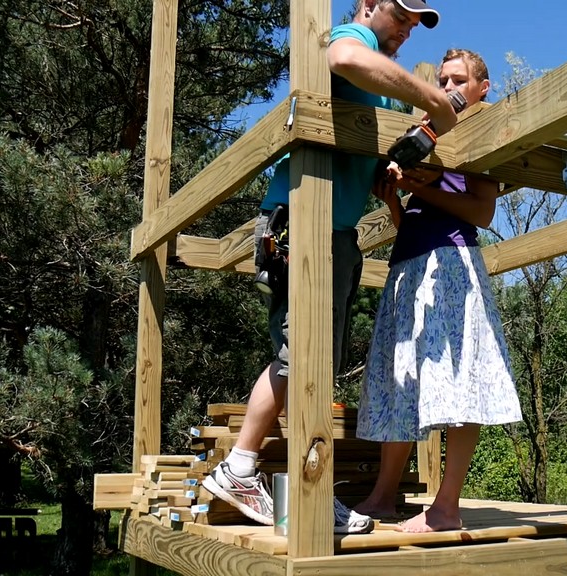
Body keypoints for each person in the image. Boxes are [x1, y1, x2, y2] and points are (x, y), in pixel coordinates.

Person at [202, 0, 458, 535]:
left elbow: (361, 154)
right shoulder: (350, 37)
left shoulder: (381, 86)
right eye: (403, 15)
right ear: (368, 5)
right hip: (304, 217)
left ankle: (258, 473)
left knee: (311, 357)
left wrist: (389, 169)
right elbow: (341, 55)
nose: (410, 28)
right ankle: (257, 474)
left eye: (417, 23)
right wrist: (436, 98)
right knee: (304, 353)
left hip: (334, 228)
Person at [354, 48, 523, 533]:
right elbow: (423, 214)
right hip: (408, 264)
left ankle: (446, 508)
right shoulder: (426, 135)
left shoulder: (483, 130)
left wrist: (417, 185)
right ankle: (384, 497)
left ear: (481, 88)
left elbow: (481, 213)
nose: (448, 89)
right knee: (400, 379)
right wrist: (396, 204)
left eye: (458, 80)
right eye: (442, 80)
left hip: (451, 265)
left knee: (458, 379)